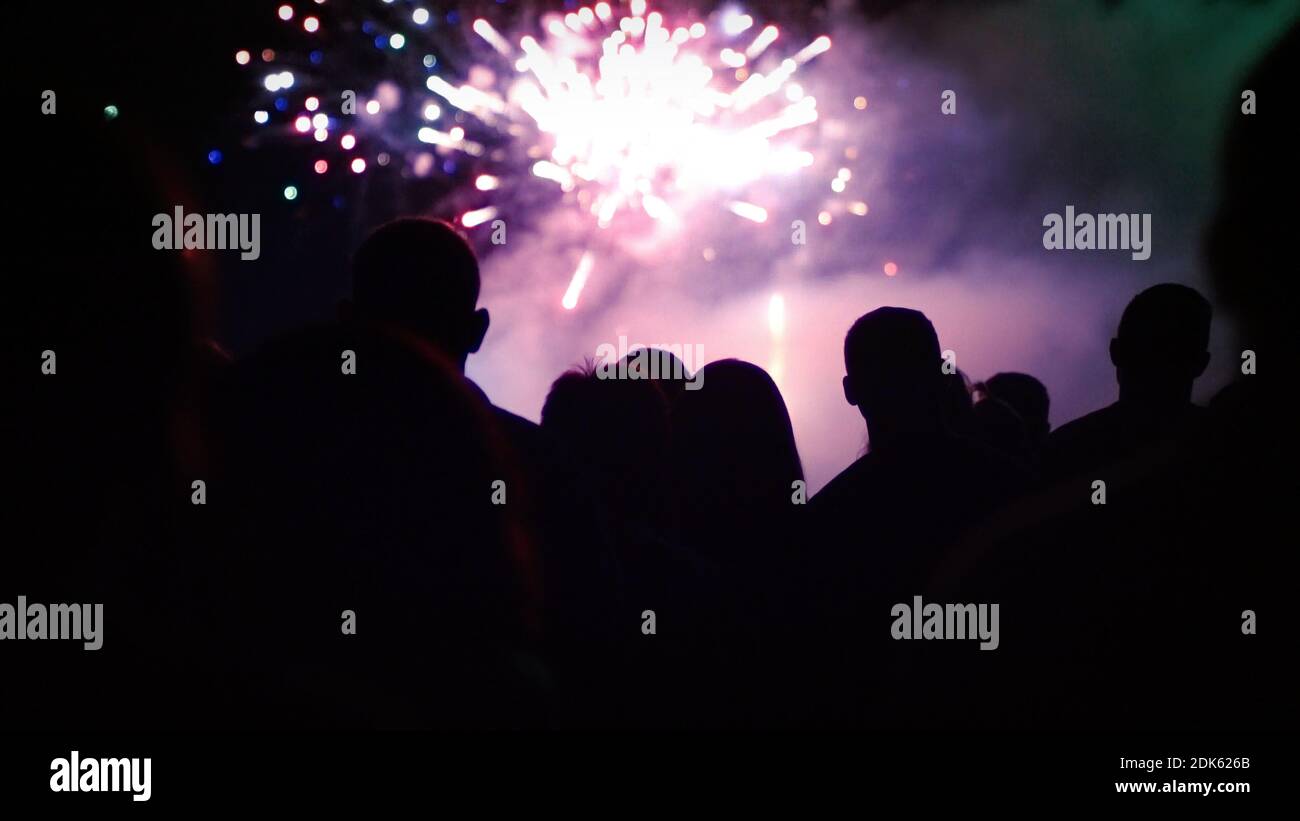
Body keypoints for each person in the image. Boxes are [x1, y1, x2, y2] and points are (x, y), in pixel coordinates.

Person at [1043, 283, 1212, 482]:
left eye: (1169, 353)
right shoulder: (1235, 445)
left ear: (1115, 352)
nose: (1157, 366)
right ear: (1201, 364)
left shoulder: (1063, 450)